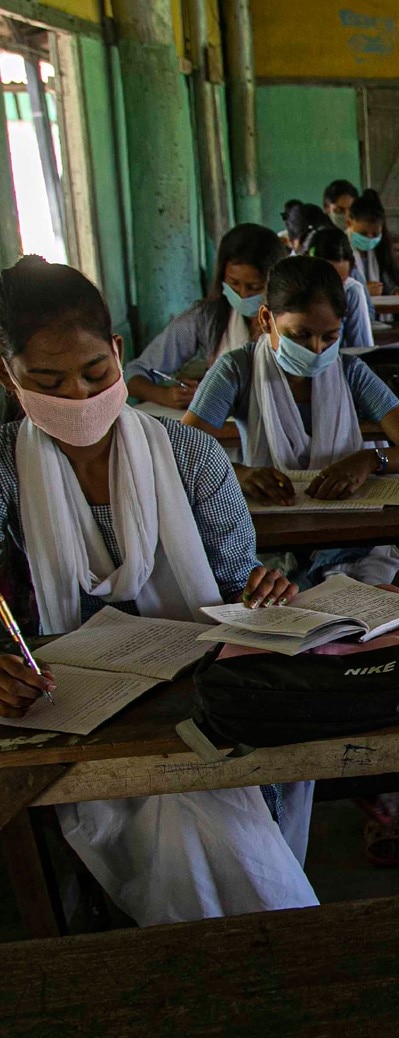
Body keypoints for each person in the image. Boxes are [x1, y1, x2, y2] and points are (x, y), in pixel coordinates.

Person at [0, 256, 318, 924]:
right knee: (181, 816)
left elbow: (237, 585)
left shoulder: (191, 456)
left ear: (119, 353)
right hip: (65, 700)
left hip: (195, 686)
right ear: (9, 377)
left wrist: (264, 592)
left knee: (200, 801)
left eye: (94, 374)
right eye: (48, 382)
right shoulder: (5, 471)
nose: (80, 399)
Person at [183, 255, 399, 589]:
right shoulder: (237, 370)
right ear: (267, 319)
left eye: (329, 337)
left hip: (346, 533)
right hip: (268, 534)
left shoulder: (350, 372)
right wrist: (243, 474)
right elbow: (182, 455)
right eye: (300, 335)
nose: (317, 349)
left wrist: (369, 460)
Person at [125, 223, 286, 410]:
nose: (242, 294)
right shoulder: (207, 318)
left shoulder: (294, 322)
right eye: (233, 284)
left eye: (254, 287)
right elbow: (133, 374)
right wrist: (165, 395)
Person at [308, 226, 374, 350]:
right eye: (328, 279)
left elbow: (363, 350)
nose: (336, 288)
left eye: (342, 281)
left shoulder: (351, 290)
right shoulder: (293, 291)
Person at [346, 188, 399, 297]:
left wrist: (395, 291)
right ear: (349, 223)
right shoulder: (339, 248)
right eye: (363, 233)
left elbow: (387, 281)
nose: (369, 238)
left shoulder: (380, 248)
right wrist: (363, 290)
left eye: (375, 234)